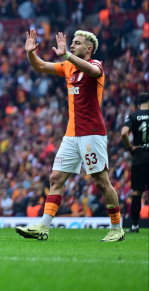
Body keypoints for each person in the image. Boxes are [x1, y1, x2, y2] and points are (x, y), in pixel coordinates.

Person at [16, 29, 124, 242]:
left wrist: (66, 54)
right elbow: (40, 66)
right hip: (71, 134)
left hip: (92, 133)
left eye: (77, 43)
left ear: (89, 48)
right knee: (56, 178)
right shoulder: (68, 66)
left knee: (101, 181)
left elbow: (92, 72)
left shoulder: (96, 65)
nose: (72, 45)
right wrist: (30, 53)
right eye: (72, 42)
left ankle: (117, 228)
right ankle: (43, 227)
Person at [121, 92, 149, 233]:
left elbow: (123, 133)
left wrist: (130, 148)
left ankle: (135, 225)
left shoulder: (133, 115)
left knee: (137, 192)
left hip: (139, 157)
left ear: (138, 104)